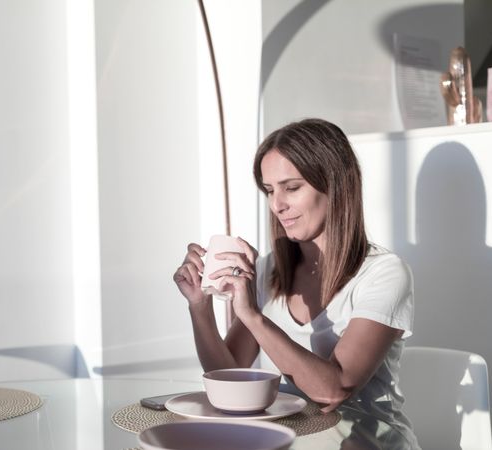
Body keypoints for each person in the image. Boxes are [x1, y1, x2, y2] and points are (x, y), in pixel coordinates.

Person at [173, 118, 418, 448]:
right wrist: (199, 305)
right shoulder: (270, 271)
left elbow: (334, 390)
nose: (277, 205)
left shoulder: (384, 274)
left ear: (335, 185)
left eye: (291, 187)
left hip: (365, 438)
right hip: (292, 438)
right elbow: (228, 374)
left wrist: (253, 316)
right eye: (270, 190)